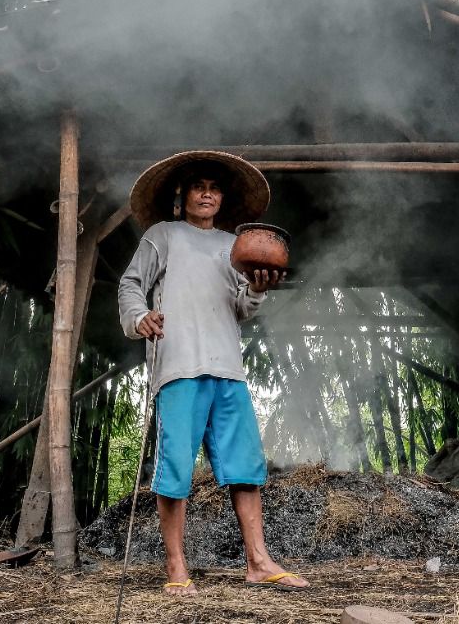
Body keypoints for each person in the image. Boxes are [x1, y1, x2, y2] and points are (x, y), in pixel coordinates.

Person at [117, 150, 309, 596]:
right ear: (181, 196)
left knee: (245, 466)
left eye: (215, 187)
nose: (207, 193)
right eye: (199, 186)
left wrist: (258, 291)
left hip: (228, 367)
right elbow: (130, 284)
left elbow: (242, 308)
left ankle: (259, 562)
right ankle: (176, 565)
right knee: (176, 469)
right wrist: (140, 316)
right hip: (178, 364)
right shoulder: (163, 235)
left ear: (222, 199)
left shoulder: (233, 246)